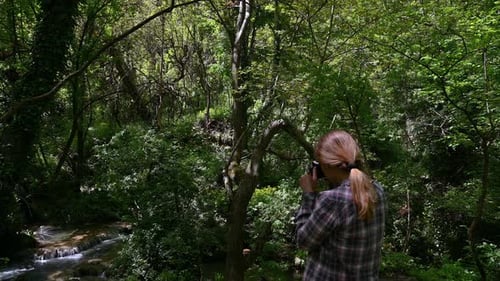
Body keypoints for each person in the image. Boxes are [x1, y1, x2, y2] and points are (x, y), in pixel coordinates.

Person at [295, 130, 386, 281]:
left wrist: (309, 195)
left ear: (326, 164)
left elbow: (303, 241)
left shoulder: (332, 200)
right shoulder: (377, 190)